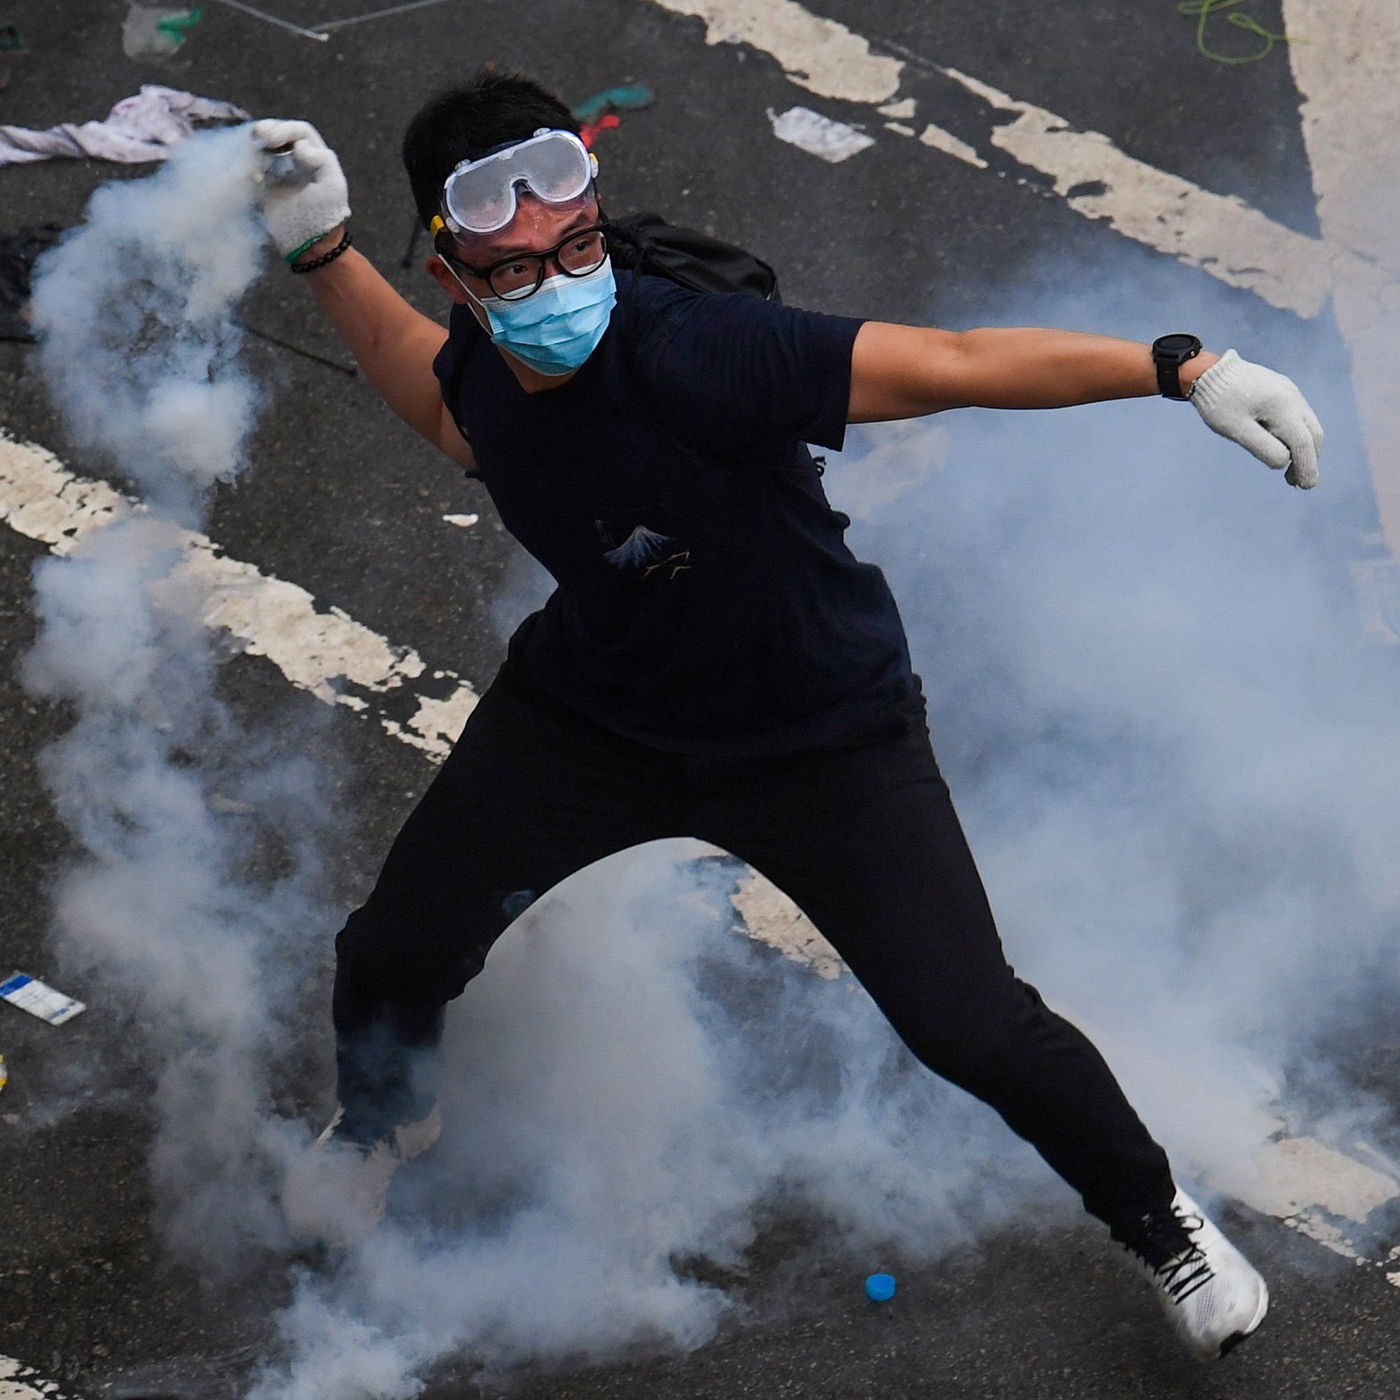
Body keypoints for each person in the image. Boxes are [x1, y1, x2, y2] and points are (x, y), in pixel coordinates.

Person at [254, 69, 1323, 1362]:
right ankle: (385, 1118)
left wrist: (1180, 366)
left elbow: (953, 364)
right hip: (598, 714)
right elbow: (438, 403)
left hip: (820, 733)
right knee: (391, 951)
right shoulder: (482, 366)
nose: (560, 284)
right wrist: (320, 252)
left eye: (578, 246)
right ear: (457, 280)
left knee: (971, 1025)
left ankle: (1161, 1219)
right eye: (521, 271)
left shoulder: (704, 354)